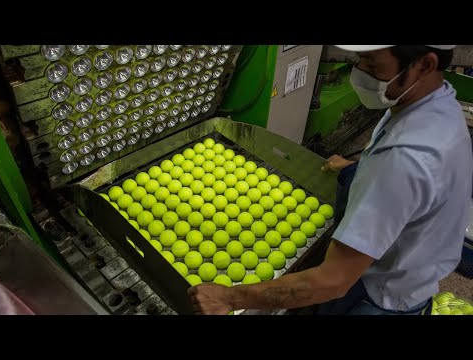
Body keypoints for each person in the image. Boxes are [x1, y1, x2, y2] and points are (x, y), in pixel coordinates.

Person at [188, 45, 473, 315]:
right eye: (361, 60)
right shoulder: (438, 104)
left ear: (424, 64)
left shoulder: (403, 161)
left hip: (378, 297)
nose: (359, 70)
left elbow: (333, 281)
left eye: (372, 63)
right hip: (411, 274)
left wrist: (228, 297)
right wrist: (359, 169)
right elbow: (419, 185)